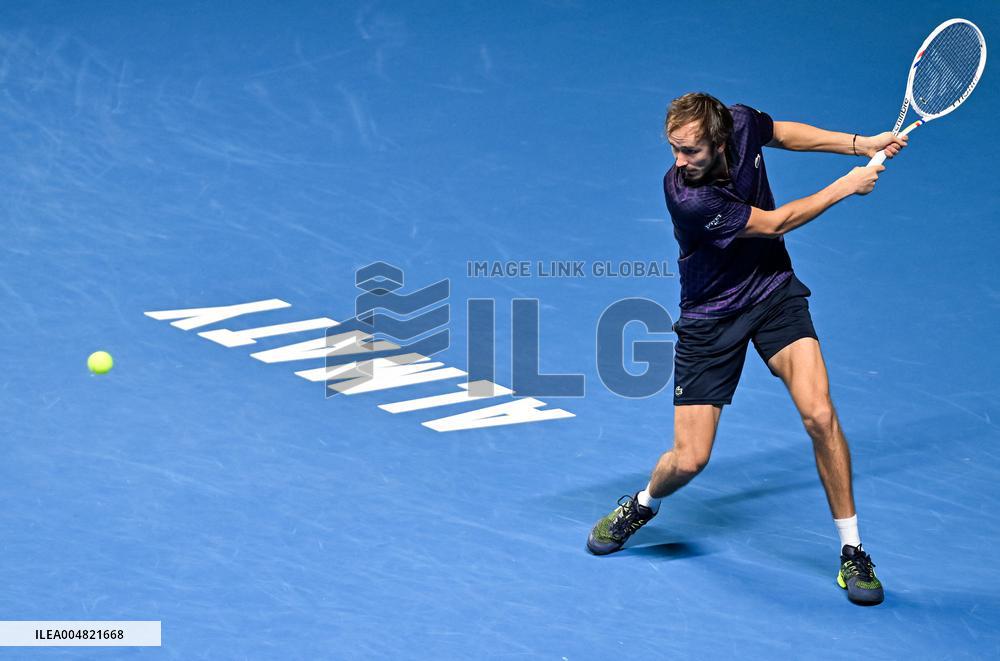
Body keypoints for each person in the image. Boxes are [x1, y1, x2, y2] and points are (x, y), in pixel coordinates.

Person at [586, 92, 907, 605]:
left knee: (820, 416)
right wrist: (848, 186)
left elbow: (780, 131)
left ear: (718, 139)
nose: (679, 161)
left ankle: (852, 552)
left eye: (690, 150)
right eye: (673, 149)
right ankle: (643, 503)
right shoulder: (686, 196)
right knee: (690, 460)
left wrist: (857, 145)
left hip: (773, 293)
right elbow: (774, 223)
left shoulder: (739, 121)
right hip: (711, 318)